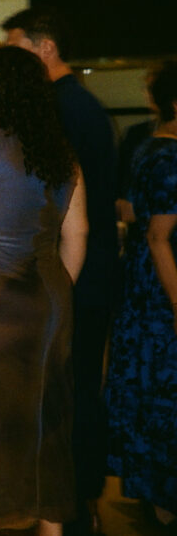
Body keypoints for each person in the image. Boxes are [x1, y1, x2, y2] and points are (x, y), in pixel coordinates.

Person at [0, 46, 88, 536]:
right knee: (49, 416)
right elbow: (79, 234)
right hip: (52, 296)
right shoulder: (61, 152)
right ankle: (51, 527)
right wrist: (55, 293)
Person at [2, 8, 118, 532]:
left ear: (44, 47)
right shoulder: (79, 105)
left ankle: (71, 509)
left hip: (72, 274)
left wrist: (56, 285)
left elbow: (74, 219)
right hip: (72, 273)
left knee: (66, 396)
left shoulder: (65, 110)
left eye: (17, 47)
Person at [105, 61, 177, 530]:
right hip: (162, 295)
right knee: (163, 400)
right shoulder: (169, 158)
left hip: (144, 293)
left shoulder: (149, 148)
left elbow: (130, 209)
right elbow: (158, 238)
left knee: (151, 396)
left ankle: (160, 504)